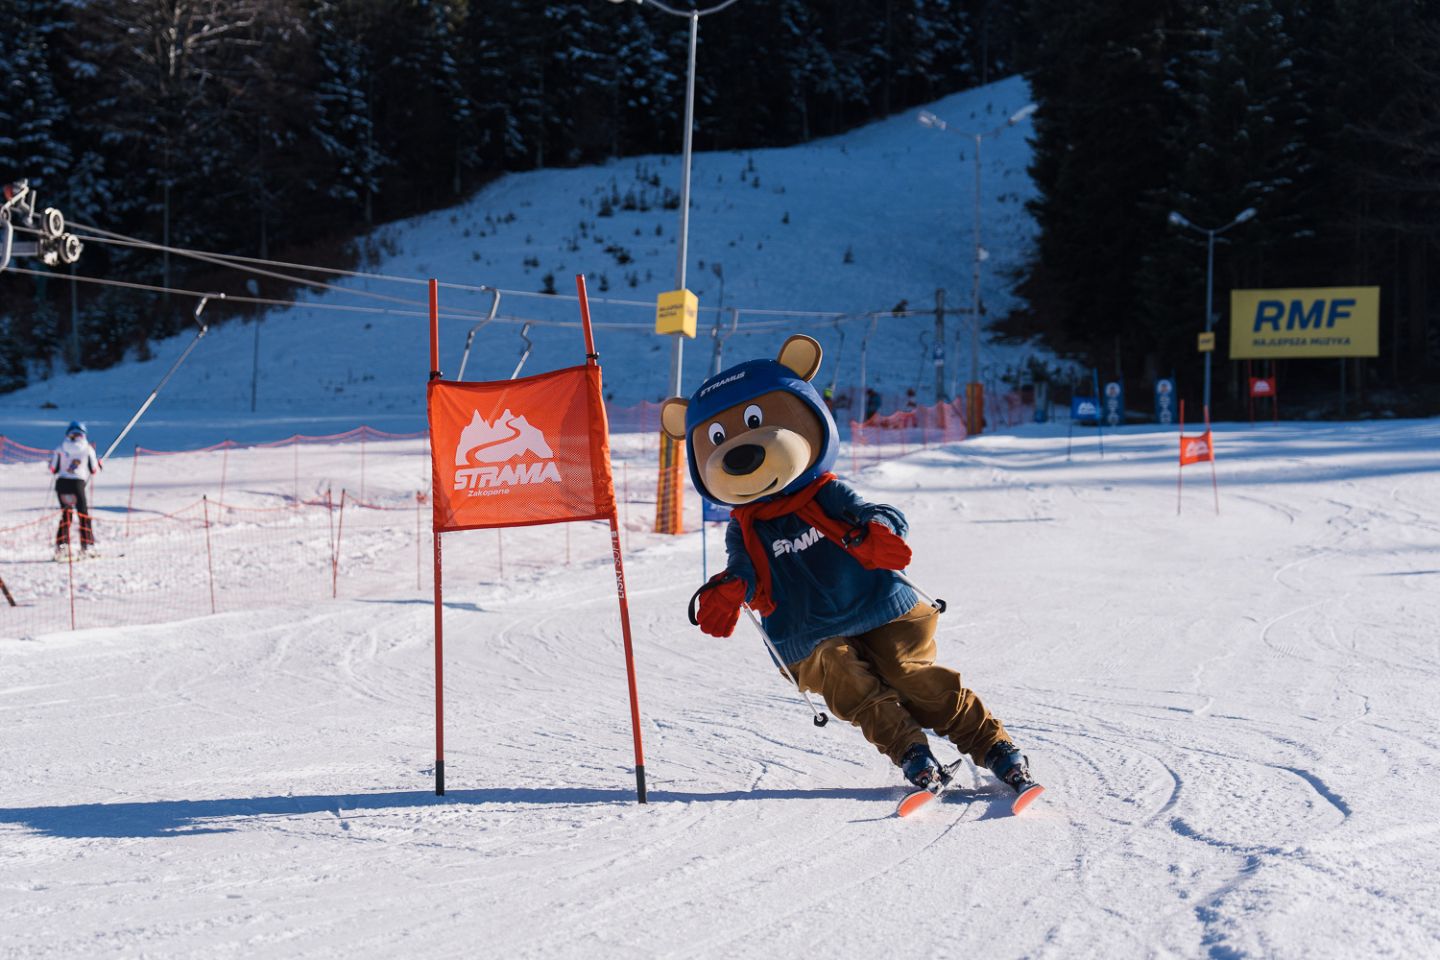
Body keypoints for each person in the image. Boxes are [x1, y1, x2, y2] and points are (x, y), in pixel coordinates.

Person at [662, 336, 1042, 811]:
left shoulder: (825, 492)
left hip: (877, 603)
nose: (740, 453)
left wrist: (878, 530)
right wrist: (730, 589)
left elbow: (873, 512)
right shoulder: (745, 527)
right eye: (719, 439)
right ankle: (913, 754)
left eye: (757, 423)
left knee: (909, 674)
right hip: (807, 629)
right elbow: (744, 570)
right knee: (841, 673)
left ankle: (996, 748)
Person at [49, 421, 101, 560]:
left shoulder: (60, 448)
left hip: (62, 485)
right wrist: (98, 464)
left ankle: (61, 547)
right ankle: (87, 546)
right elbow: (94, 470)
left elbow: (53, 469)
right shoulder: (88, 449)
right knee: (83, 515)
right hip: (77, 485)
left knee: (66, 515)